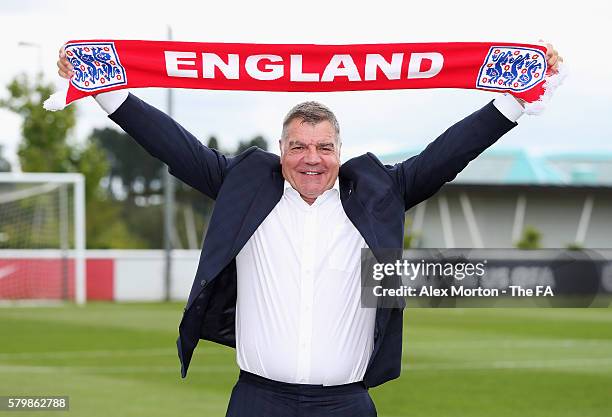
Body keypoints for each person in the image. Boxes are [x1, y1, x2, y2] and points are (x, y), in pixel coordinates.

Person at [57, 44, 562, 417]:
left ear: (339, 151)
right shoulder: (245, 186)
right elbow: (173, 145)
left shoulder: (378, 191)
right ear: (281, 150)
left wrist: (513, 101)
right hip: (258, 400)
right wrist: (106, 90)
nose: (311, 159)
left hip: (347, 404)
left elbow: (449, 153)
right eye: (298, 146)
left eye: (323, 147)